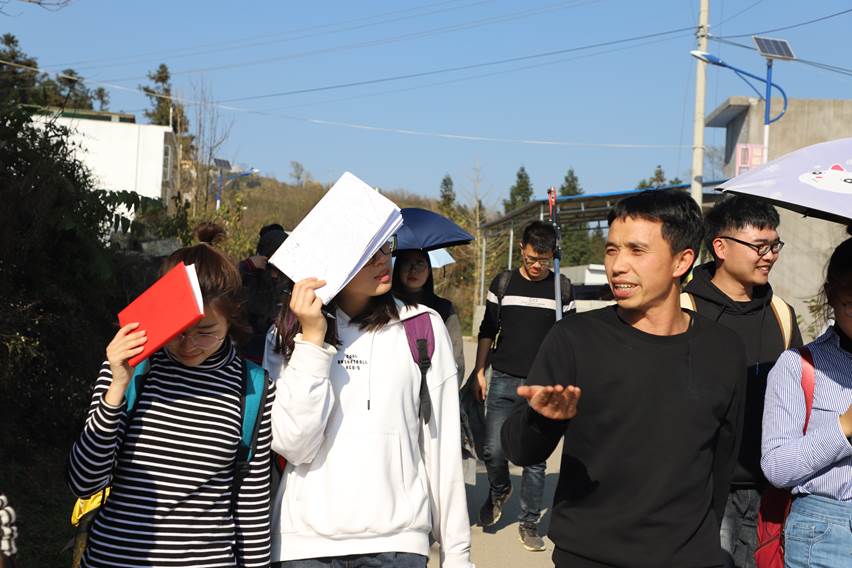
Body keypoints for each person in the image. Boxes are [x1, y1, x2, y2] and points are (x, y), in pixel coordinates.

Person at [501, 189, 746, 568]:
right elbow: (519, 450)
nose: (617, 265)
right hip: (589, 557)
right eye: (612, 250)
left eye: (636, 251)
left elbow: (722, 462)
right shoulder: (574, 339)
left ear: (682, 261)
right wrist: (542, 419)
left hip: (688, 558)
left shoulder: (723, 350)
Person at [67, 224, 276, 568]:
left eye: (205, 332)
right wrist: (116, 387)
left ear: (231, 321)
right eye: (179, 331)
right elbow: (83, 481)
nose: (189, 344)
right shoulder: (131, 369)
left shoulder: (252, 386)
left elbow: (251, 506)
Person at [264, 237, 473, 568]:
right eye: (367, 252)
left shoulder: (421, 326)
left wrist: (457, 556)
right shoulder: (287, 333)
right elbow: (293, 445)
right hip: (304, 546)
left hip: (397, 543)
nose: (382, 259)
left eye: (385, 246)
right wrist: (313, 340)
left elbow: (442, 448)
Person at [682, 195, 802, 567]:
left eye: (775, 246)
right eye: (759, 246)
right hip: (704, 489)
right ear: (720, 247)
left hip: (769, 489)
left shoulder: (781, 313)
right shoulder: (683, 311)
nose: (769, 256)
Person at [470, 220, 575, 552]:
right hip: (502, 378)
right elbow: (488, 329)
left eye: (543, 260)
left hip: (541, 384)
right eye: (531, 258)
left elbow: (570, 338)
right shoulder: (504, 283)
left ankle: (529, 522)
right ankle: (500, 489)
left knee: (534, 459)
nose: (537, 266)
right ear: (521, 250)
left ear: (553, 255)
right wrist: (479, 371)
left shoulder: (562, 288)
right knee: (492, 450)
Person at [761, 228, 852, 568]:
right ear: (831, 295)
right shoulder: (798, 366)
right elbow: (777, 467)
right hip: (825, 534)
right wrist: (843, 428)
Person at [392, 248, 465, 378]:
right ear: (398, 268)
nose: (413, 269)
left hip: (434, 382)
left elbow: (456, 356)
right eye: (406, 263)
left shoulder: (443, 308)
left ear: (429, 271)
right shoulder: (386, 307)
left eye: (420, 264)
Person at [240, 224, 289, 363]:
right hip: (251, 356)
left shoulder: (292, 280)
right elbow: (226, 285)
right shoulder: (251, 276)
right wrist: (246, 265)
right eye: (275, 251)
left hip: (280, 357)